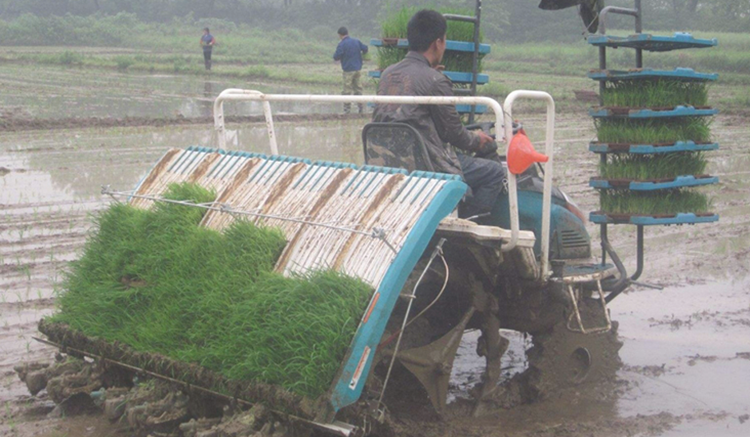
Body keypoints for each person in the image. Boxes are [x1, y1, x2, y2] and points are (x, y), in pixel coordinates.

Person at [372, 9, 505, 218]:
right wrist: (478, 140)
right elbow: (454, 134)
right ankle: (468, 228)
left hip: (390, 162)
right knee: (495, 172)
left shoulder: (388, 74)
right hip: (429, 165)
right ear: (438, 43)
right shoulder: (435, 80)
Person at [333, 27, 368, 114]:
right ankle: (361, 109)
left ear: (340, 35)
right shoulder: (356, 41)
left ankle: (347, 110)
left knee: (347, 89)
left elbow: (336, 56)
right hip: (358, 68)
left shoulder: (342, 44)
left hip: (348, 69)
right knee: (358, 88)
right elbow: (365, 48)